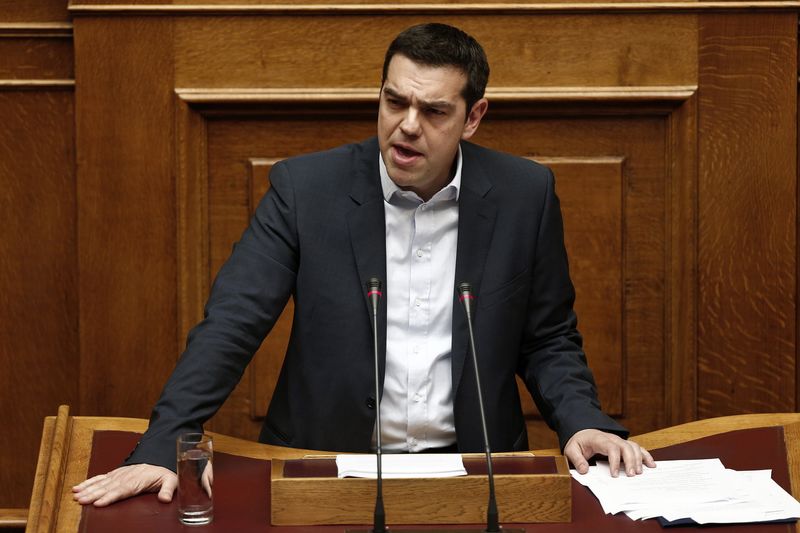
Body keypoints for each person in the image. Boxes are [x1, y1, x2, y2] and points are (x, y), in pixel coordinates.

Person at [74, 22, 655, 508]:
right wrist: (165, 442)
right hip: (324, 470)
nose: (407, 125)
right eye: (395, 101)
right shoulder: (305, 190)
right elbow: (233, 322)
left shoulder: (524, 194)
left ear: (473, 117)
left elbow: (548, 335)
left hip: (478, 475)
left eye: (433, 111)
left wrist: (581, 420)